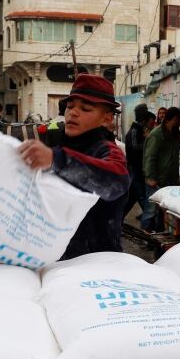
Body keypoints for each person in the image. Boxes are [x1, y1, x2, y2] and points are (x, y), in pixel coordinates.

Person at [17, 74, 129, 258]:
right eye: (70, 107)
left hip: (95, 261)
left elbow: (116, 182)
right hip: (56, 256)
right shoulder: (61, 147)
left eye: (85, 108)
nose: (73, 113)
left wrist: (57, 160)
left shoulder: (107, 151)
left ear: (107, 118)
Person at [141, 106, 180, 231]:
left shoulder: (175, 135)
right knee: (151, 210)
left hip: (169, 179)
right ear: (171, 119)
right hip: (156, 180)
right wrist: (150, 177)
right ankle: (145, 237)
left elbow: (173, 155)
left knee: (163, 212)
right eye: (178, 120)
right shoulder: (156, 135)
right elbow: (150, 157)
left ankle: (158, 237)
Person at [123, 103, 151, 218]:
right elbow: (135, 147)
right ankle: (150, 220)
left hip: (136, 169)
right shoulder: (135, 130)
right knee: (141, 197)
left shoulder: (138, 129)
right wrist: (146, 140)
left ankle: (118, 218)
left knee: (133, 197)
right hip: (135, 169)